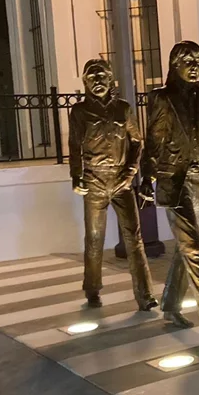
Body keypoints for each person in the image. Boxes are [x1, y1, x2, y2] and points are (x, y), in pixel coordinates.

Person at [140, 41, 199, 342]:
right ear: (174, 64)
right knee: (193, 250)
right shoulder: (162, 98)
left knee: (188, 247)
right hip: (175, 182)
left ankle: (170, 304)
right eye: (188, 61)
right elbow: (153, 141)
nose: (195, 66)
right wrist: (146, 176)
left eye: (198, 61)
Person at [68, 58, 157, 311]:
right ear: (85, 82)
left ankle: (145, 295)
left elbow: (137, 142)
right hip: (94, 182)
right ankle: (92, 289)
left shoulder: (123, 109)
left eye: (102, 76)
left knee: (134, 239)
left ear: (110, 79)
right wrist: (76, 175)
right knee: (94, 239)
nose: (97, 81)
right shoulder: (79, 112)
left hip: (122, 182)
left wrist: (130, 172)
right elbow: (74, 145)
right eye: (92, 77)